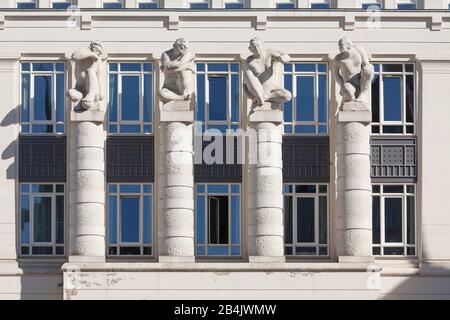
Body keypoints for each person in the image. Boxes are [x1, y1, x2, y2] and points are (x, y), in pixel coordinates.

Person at [243, 37, 292, 109]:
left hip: (272, 89)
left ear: (262, 45)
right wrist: (245, 90)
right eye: (254, 46)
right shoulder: (249, 61)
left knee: (287, 96)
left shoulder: (270, 53)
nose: (257, 48)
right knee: (247, 73)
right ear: (250, 49)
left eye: (258, 45)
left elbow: (286, 57)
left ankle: (264, 97)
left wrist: (282, 59)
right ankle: (259, 96)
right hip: (258, 89)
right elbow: (247, 79)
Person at [333, 37, 374, 107]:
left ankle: (362, 95)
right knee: (347, 91)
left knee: (370, 70)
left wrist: (366, 67)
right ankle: (349, 96)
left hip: (361, 80)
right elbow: (335, 74)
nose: (340, 48)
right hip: (349, 83)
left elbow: (366, 64)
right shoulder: (338, 59)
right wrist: (341, 85)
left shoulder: (359, 50)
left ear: (349, 46)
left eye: (342, 45)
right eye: (339, 46)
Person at [68, 40, 104, 111]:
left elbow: (99, 77)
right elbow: (74, 56)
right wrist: (91, 54)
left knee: (89, 71)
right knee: (70, 93)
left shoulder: (97, 61)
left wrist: (100, 94)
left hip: (92, 90)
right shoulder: (84, 52)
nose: (97, 54)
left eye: (99, 53)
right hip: (80, 89)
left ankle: (91, 94)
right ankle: (83, 98)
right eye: (97, 52)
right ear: (94, 49)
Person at [159, 38, 196, 102]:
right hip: (169, 87)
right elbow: (178, 65)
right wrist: (186, 66)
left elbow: (179, 64)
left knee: (182, 71)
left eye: (185, 48)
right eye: (181, 48)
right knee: (161, 94)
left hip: (183, 87)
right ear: (175, 46)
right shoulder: (166, 54)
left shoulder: (189, 53)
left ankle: (184, 95)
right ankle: (182, 98)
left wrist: (167, 67)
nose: (183, 50)